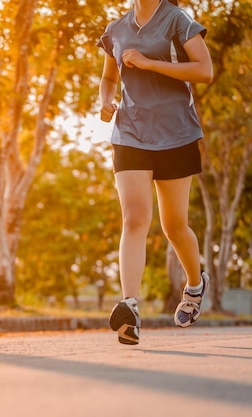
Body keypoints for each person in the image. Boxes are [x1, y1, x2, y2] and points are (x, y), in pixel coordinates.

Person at [96, 0, 213, 345]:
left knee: (174, 226)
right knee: (134, 217)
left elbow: (204, 71)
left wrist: (149, 63)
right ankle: (129, 307)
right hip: (130, 133)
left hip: (176, 134)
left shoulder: (176, 20)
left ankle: (195, 285)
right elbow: (108, 76)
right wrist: (105, 100)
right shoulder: (116, 29)